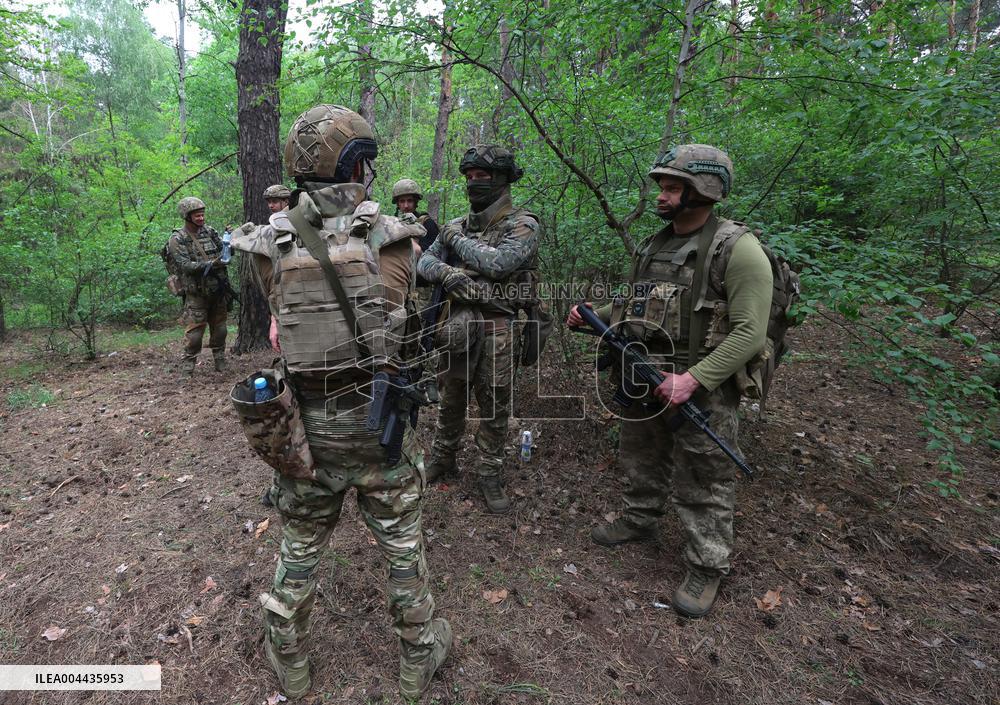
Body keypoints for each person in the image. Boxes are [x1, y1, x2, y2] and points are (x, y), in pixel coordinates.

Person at [230, 105, 450, 700]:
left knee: (299, 547)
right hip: (379, 427)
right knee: (402, 546)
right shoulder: (394, 237)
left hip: (306, 430)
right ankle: (416, 662)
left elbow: (279, 318)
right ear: (357, 163)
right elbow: (402, 320)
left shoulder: (264, 245)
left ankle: (293, 666)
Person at [566, 144, 773, 618]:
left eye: (673, 187)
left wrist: (692, 380)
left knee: (704, 478)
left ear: (704, 190)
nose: (661, 194)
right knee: (640, 456)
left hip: (704, 388)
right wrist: (592, 315)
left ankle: (706, 566)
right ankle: (640, 520)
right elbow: (634, 304)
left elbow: (750, 333)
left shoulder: (737, 249)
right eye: (662, 185)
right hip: (641, 373)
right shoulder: (655, 244)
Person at [416, 145, 541, 514]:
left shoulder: (523, 223)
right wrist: (448, 273)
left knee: (495, 401)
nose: (473, 184)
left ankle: (489, 471)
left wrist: (454, 242)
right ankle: (443, 457)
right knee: (451, 394)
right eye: (468, 177)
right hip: (457, 324)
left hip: (498, 327)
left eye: (482, 177)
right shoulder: (457, 224)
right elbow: (424, 260)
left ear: (501, 180)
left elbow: (501, 263)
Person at [168, 196, 231, 376]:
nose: (201, 219)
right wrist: (211, 264)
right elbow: (184, 265)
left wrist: (230, 241)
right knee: (195, 335)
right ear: (187, 217)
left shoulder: (210, 232)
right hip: (196, 294)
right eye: (197, 216)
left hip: (217, 291)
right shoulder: (177, 238)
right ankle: (188, 366)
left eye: (202, 215)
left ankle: (220, 360)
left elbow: (225, 251)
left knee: (220, 330)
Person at [391, 178, 439, 256]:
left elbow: (432, 254)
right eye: (402, 201)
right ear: (398, 204)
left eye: (409, 201)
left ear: (415, 202)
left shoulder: (427, 223)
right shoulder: (392, 223)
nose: (406, 206)